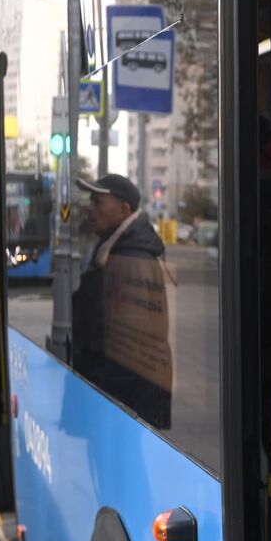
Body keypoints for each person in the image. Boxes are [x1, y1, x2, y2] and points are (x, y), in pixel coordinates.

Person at [71, 173, 173, 428]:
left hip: (123, 404)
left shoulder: (130, 259)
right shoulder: (111, 249)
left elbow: (130, 349)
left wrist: (103, 404)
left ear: (124, 209)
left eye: (98, 203)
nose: (90, 209)